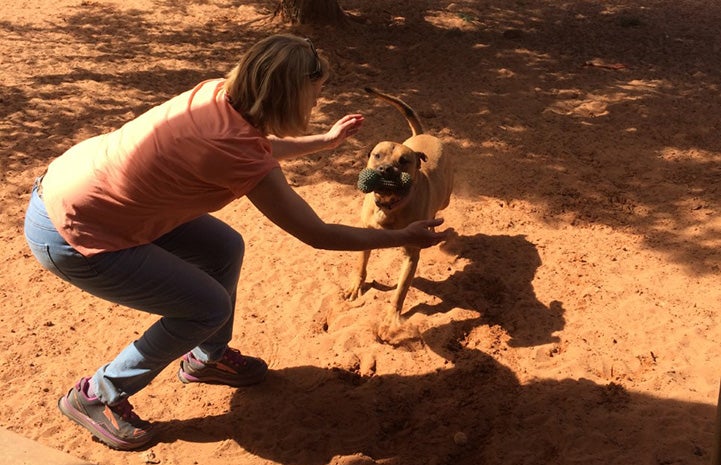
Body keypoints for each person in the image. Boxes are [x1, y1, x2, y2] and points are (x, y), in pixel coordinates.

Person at [23, 33, 449, 451]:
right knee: (207, 307)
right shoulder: (235, 151)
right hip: (72, 228)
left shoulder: (217, 94)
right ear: (288, 94)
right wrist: (401, 235)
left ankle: (208, 357)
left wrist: (322, 142)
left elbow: (253, 144)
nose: (318, 101)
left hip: (86, 188)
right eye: (315, 92)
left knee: (223, 247)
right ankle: (98, 394)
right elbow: (315, 233)